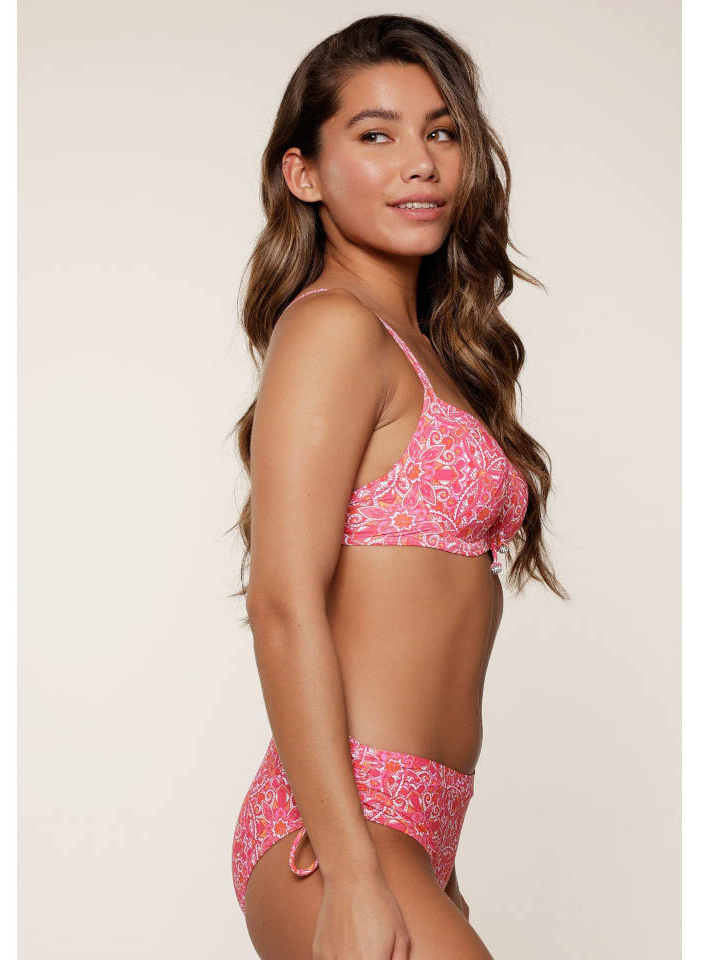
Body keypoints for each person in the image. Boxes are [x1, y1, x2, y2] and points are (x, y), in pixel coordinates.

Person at [228, 14, 569, 959]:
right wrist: (352, 869)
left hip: (417, 828)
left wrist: (432, 868)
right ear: (304, 173)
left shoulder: (429, 351)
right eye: (375, 135)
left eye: (442, 131)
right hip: (338, 826)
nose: (421, 163)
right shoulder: (331, 327)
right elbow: (283, 602)